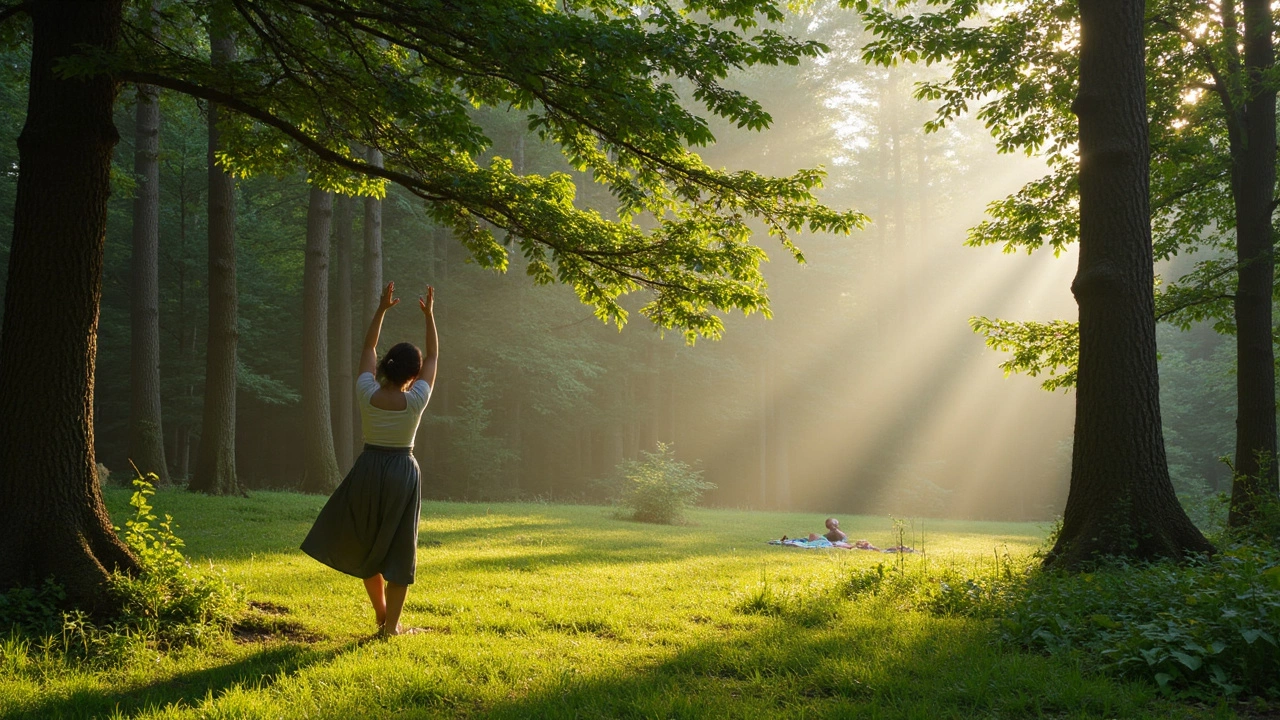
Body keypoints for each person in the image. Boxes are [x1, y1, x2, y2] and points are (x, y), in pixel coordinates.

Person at [301, 281, 438, 636]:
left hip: (368, 468)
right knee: (398, 549)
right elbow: (434, 358)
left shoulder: (366, 391)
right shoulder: (416, 399)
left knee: (368, 541)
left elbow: (368, 346)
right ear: (412, 373)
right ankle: (390, 627)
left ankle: (380, 613)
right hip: (402, 473)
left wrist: (381, 309)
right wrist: (429, 317)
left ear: (386, 367)